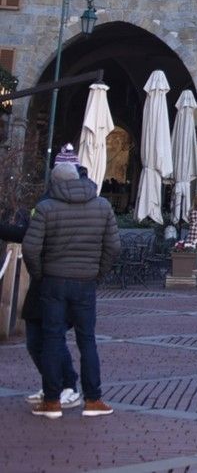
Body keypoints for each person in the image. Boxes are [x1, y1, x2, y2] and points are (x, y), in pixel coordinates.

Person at [23, 146, 118, 419]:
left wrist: (41, 273)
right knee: (87, 340)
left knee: (52, 338)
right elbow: (113, 246)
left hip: (53, 281)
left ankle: (52, 402)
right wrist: (98, 272)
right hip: (85, 282)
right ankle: (93, 399)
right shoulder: (102, 206)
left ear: (55, 180)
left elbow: (30, 248)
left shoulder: (45, 208)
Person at [1, 207, 81, 412]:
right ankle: (53, 384)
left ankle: (67, 385)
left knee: (53, 339)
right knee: (36, 341)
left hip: (61, 286)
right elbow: (27, 235)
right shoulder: (46, 208)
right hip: (41, 287)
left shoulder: (70, 214)